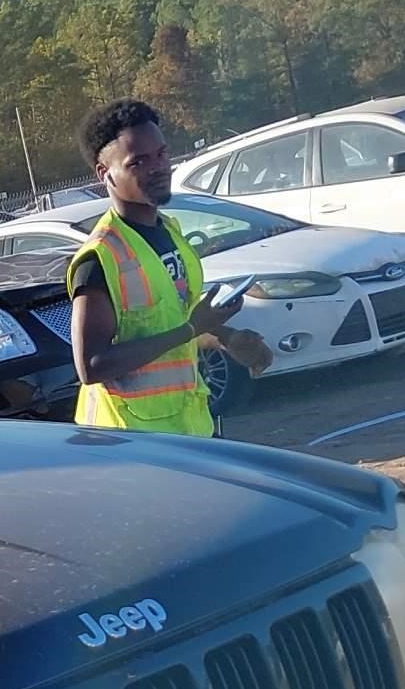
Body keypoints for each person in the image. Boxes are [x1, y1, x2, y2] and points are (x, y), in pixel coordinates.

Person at [64, 99, 269, 436]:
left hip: (188, 427)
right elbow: (90, 366)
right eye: (138, 162)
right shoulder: (100, 258)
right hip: (131, 442)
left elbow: (174, 318)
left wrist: (227, 337)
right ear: (105, 174)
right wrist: (190, 330)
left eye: (161, 154)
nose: (158, 168)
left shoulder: (169, 232)